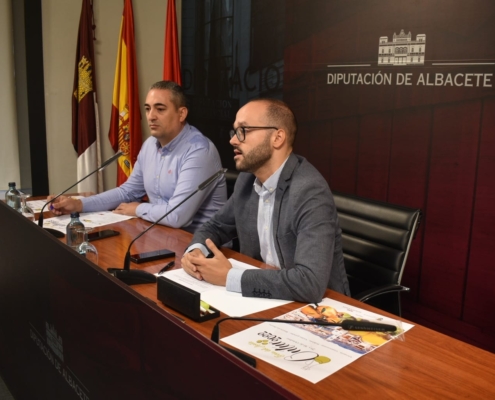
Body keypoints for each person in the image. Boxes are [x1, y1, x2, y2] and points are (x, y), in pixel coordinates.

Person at [181, 98, 350, 303]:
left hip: (318, 310)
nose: (233, 140)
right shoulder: (248, 179)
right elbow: (215, 226)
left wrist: (229, 277)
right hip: (263, 297)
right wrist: (196, 252)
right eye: (234, 131)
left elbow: (309, 283)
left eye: (243, 130)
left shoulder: (310, 191)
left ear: (277, 138)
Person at [50, 80, 227, 232]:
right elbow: (128, 192)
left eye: (160, 109)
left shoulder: (199, 151)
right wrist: (79, 205)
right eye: (148, 109)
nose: (151, 116)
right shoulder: (150, 145)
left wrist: (138, 209)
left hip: (202, 247)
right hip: (160, 234)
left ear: (181, 114)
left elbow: (177, 216)